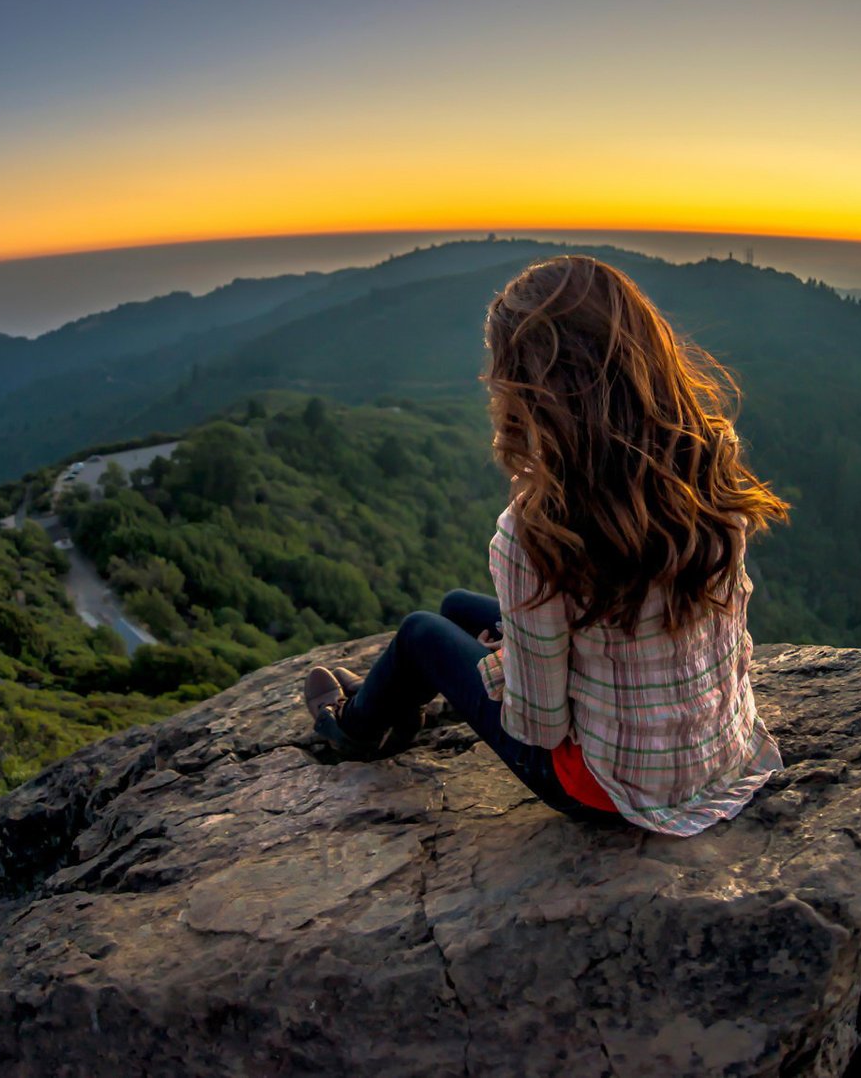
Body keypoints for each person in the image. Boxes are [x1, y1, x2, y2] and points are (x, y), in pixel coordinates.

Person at [303, 254, 791, 836]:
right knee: (460, 606)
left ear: (527, 390)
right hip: (722, 755)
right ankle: (395, 699)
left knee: (421, 634)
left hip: (608, 787)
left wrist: (507, 667)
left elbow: (538, 726)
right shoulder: (707, 465)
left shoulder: (535, 533)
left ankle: (354, 727)